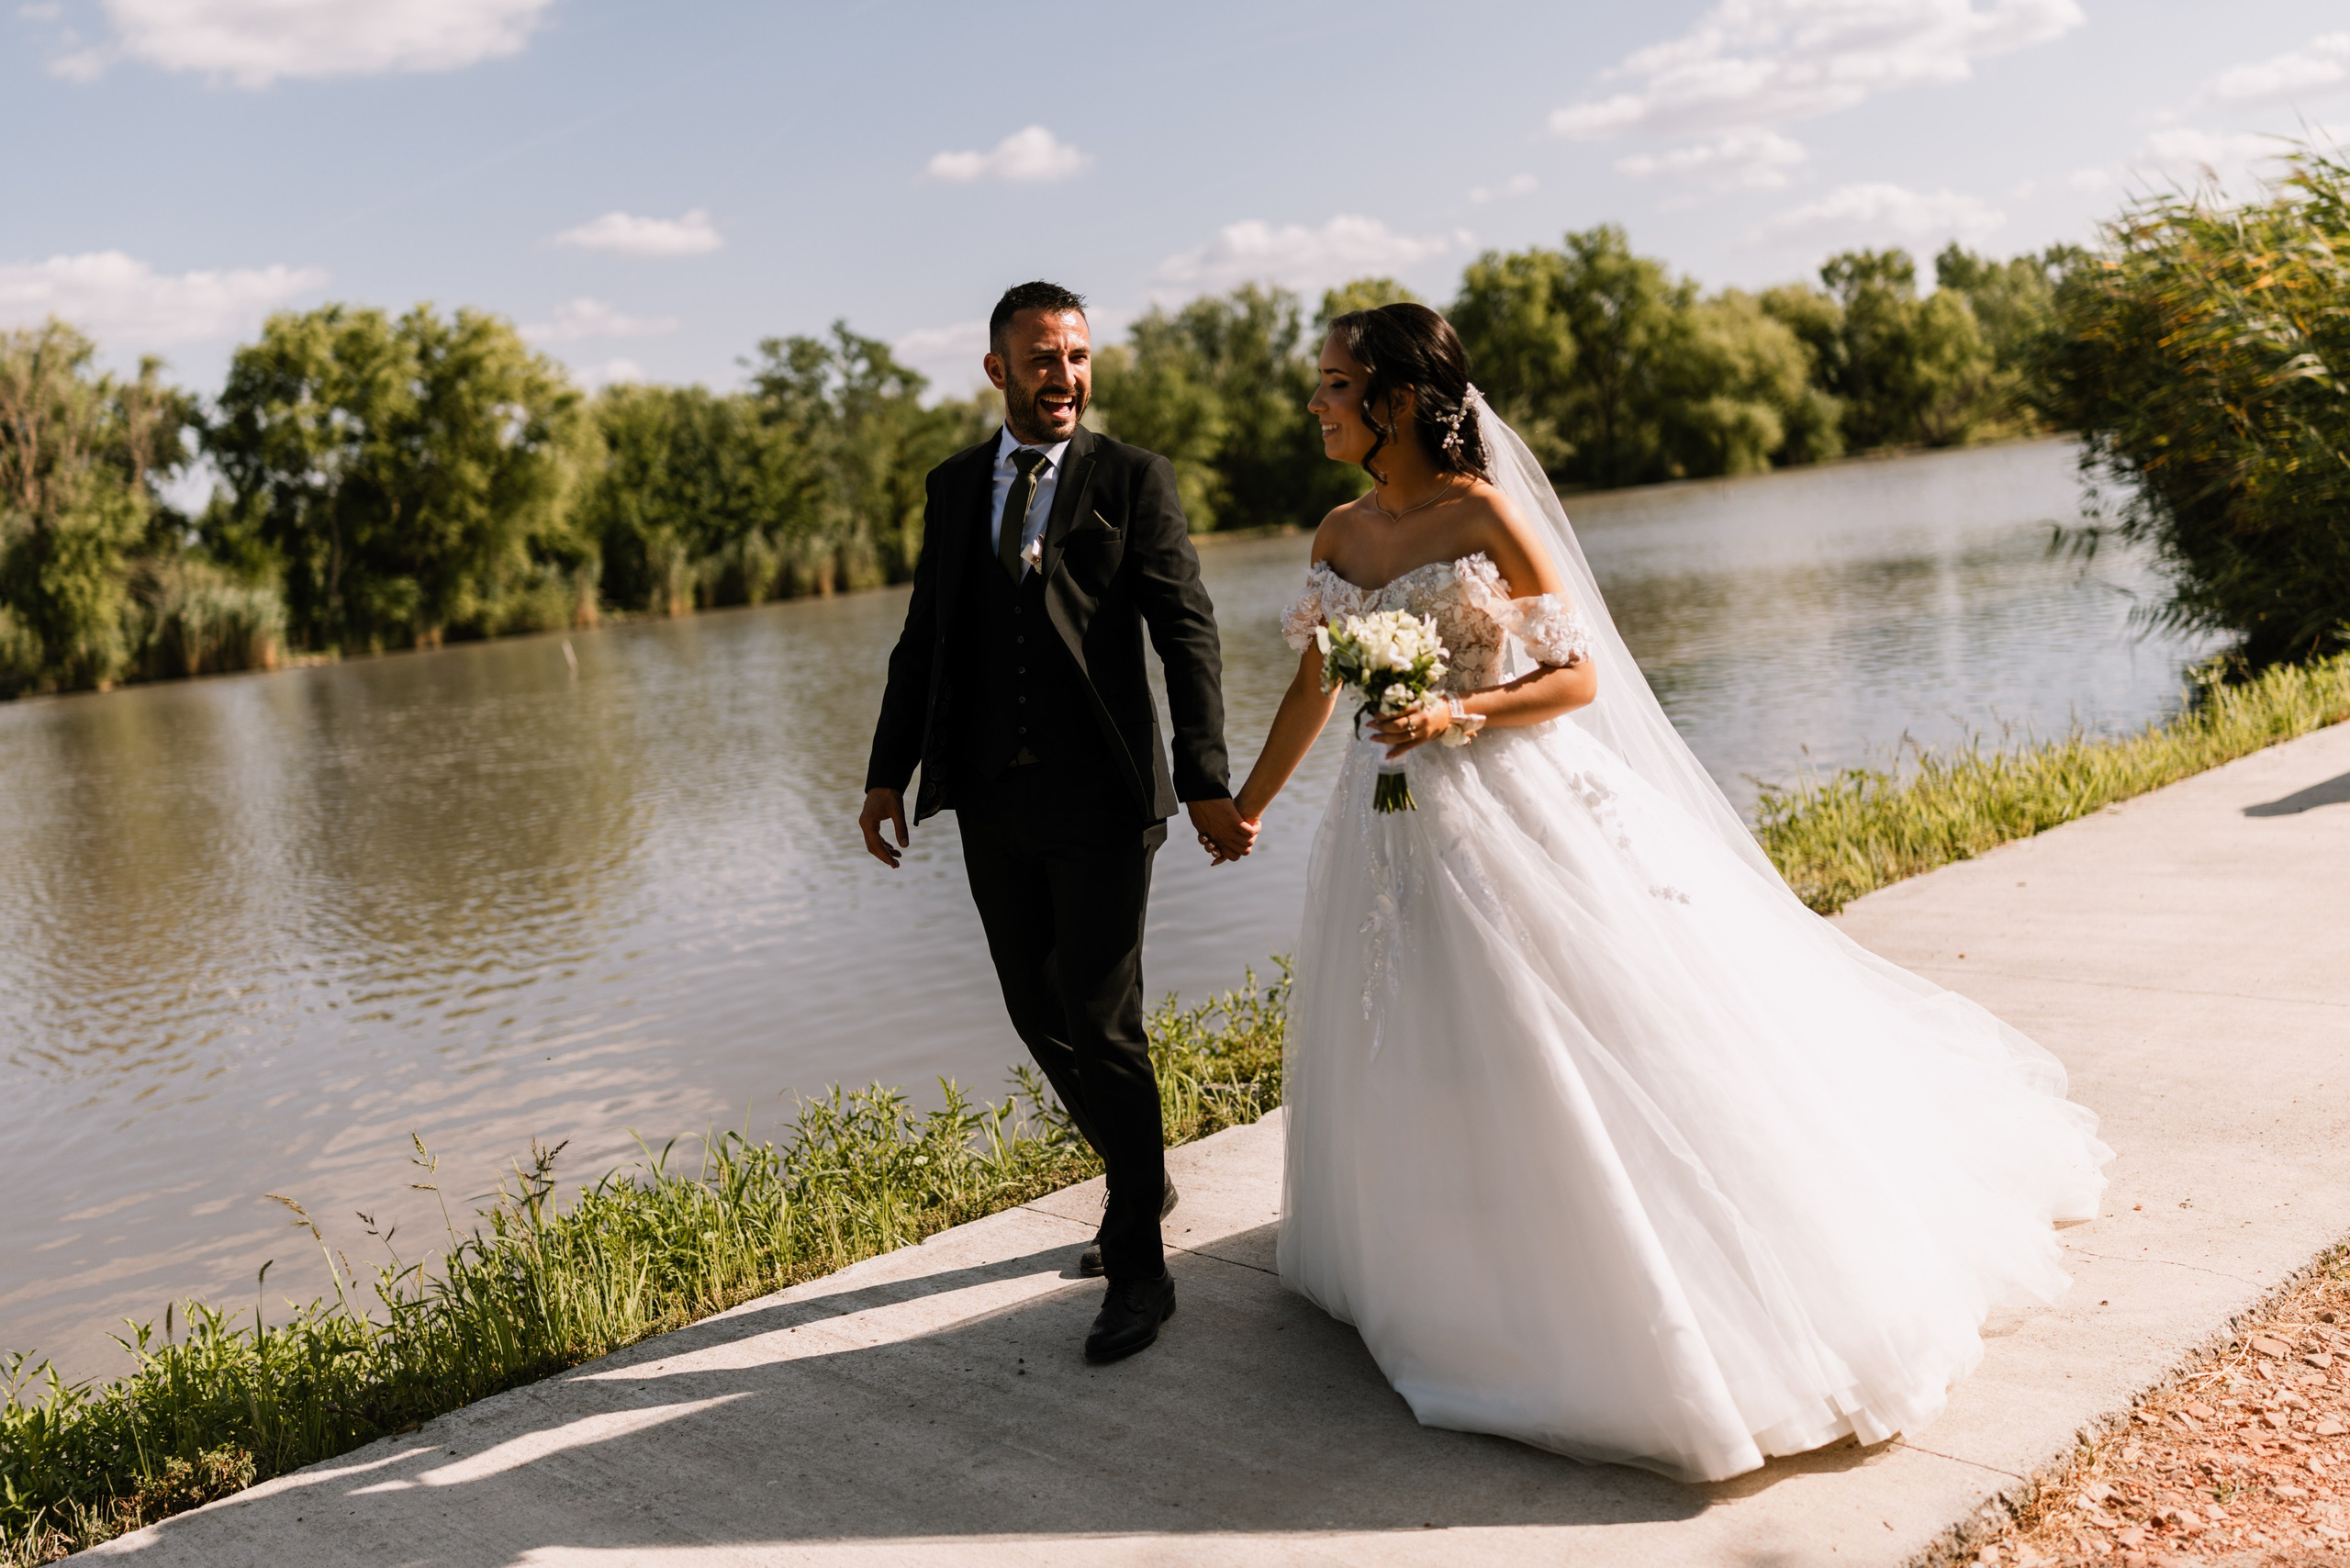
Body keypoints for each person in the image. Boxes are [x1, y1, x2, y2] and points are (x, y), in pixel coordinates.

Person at [1225, 302, 2111, 1481]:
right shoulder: (1337, 532)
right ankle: (1431, 1251)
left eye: (1334, 384)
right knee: (1411, 1030)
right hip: (1382, 828)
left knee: (1550, 1031)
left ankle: (1587, 1266)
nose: (1317, 403)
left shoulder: (1485, 516)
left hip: (1505, 803)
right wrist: (1249, 801)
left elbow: (1577, 676)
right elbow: (1311, 690)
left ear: (1393, 399)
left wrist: (1460, 711)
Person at [858, 281, 1254, 1364]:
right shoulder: (950, 489)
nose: (1064, 375)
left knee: (1101, 1013)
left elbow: (1187, 633)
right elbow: (922, 641)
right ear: (997, 371)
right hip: (992, 798)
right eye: (1042, 358)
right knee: (1036, 1011)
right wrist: (887, 773)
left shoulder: (1132, 480)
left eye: (1077, 355)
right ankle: (1145, 1177)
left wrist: (1207, 774)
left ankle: (1138, 1266)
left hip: (1105, 798)